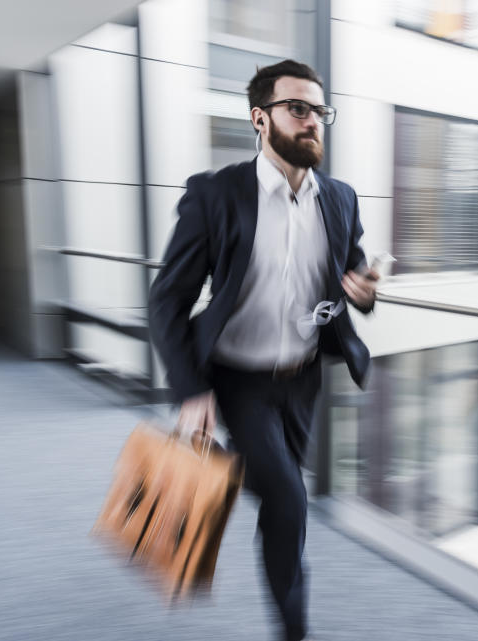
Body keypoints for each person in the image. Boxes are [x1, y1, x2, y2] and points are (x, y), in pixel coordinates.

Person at [147, 59, 378, 641]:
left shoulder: (341, 199)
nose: (313, 122)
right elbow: (167, 300)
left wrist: (363, 292)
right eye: (297, 109)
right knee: (290, 500)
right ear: (260, 118)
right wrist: (191, 391)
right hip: (236, 379)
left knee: (277, 491)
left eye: (320, 111)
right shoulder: (216, 194)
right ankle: (294, 629)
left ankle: (240, 466)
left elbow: (350, 274)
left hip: (302, 377)